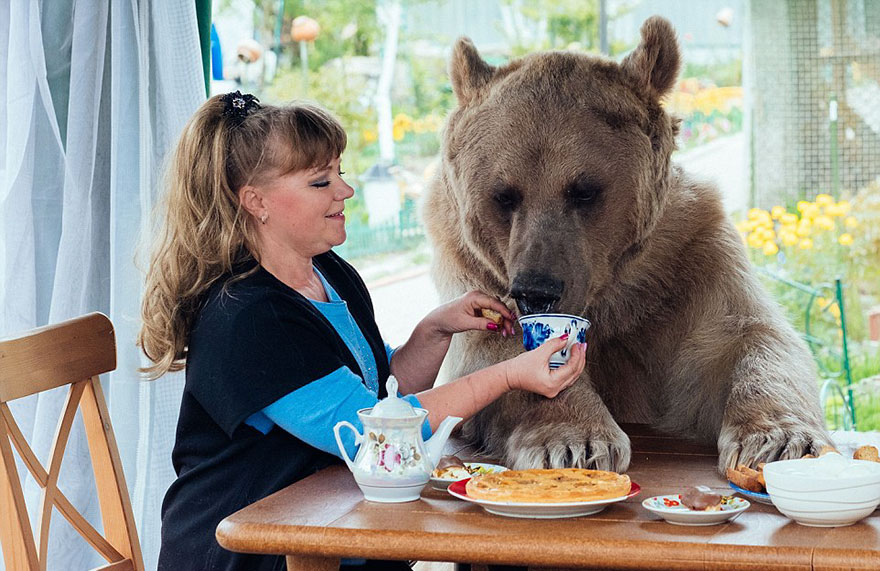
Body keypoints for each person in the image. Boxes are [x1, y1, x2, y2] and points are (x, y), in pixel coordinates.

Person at [138, 91, 587, 571]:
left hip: (331, 528)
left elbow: (380, 397)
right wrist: (508, 374)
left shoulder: (328, 272)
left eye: (340, 174)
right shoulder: (248, 318)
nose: (344, 191)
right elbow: (373, 437)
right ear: (256, 202)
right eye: (320, 181)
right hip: (254, 551)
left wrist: (436, 329)